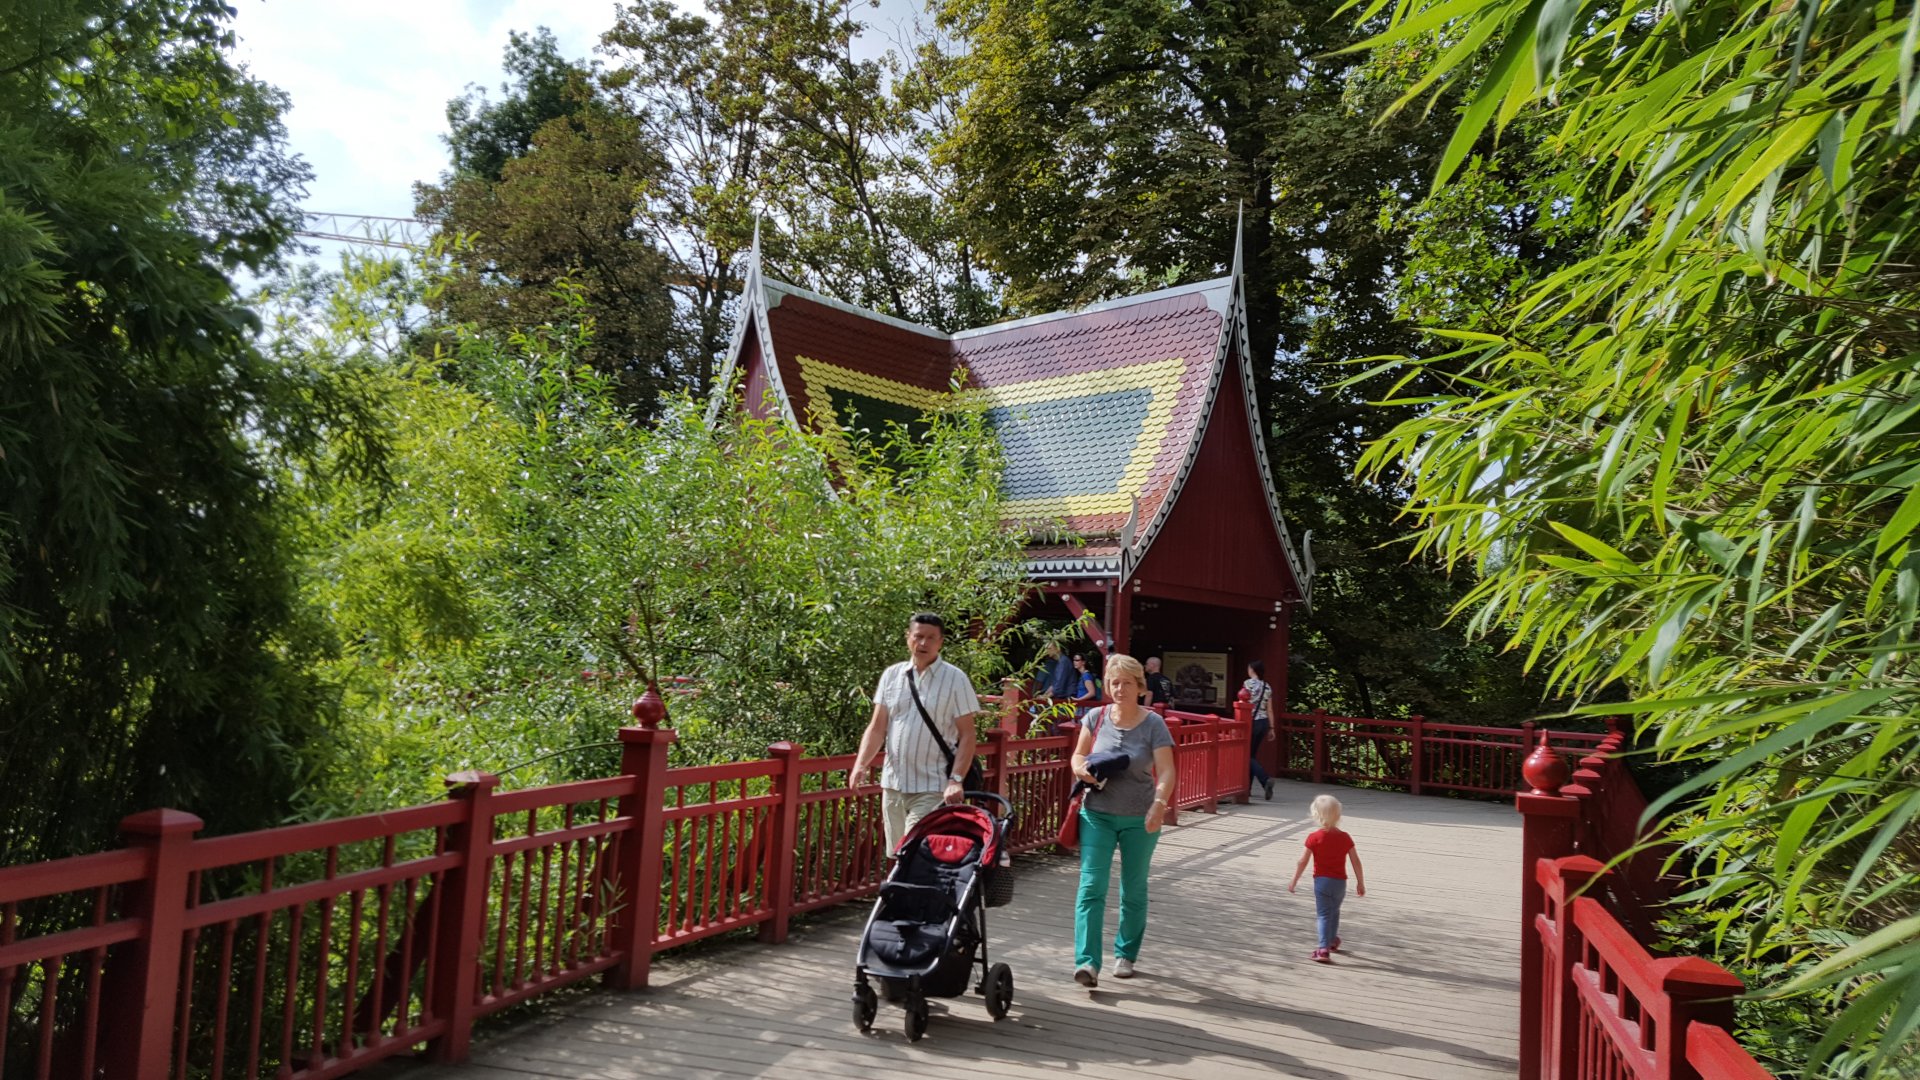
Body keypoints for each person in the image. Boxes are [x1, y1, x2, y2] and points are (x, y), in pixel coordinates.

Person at [1068, 653, 1176, 987]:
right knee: (1091, 886)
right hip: (1097, 812)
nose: (1119, 689)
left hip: (1140, 816)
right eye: (1114, 682)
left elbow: (1167, 769)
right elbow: (1078, 755)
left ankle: (1126, 953)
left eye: (1126, 683)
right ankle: (1087, 962)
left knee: (1133, 888)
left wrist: (1160, 804)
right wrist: (1080, 769)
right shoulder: (1096, 717)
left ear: (1138, 685)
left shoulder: (1153, 724)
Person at [850, 612, 982, 855]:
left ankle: (913, 892)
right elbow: (877, 727)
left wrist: (956, 780)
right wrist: (861, 764)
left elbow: (968, 735)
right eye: (918, 636)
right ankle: (907, 893)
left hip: (933, 785)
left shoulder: (955, 679)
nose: (924, 643)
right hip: (894, 783)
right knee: (896, 854)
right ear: (908, 638)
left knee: (914, 850)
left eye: (931, 638)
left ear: (941, 642)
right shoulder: (892, 675)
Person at [1287, 794, 1366, 963]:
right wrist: (1360, 882)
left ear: (1316, 815)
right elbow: (1356, 861)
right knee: (1334, 910)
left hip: (1322, 882)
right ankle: (1332, 941)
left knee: (1323, 914)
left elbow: (1302, 861)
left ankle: (1323, 948)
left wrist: (1294, 880)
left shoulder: (1314, 837)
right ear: (1338, 816)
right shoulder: (1345, 837)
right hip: (1340, 883)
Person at [1243, 660, 1276, 800]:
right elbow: (1269, 709)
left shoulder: (1247, 684)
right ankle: (1248, 788)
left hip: (1251, 722)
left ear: (1252, 670)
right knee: (1251, 755)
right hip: (1263, 722)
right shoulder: (1267, 687)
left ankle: (1265, 779)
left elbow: (1243, 702)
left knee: (1246, 755)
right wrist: (1272, 728)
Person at [1072, 652, 1102, 717]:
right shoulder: (1083, 675)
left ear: (1083, 662)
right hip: (1083, 706)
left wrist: (1079, 699)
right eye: (1074, 660)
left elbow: (1092, 692)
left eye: (1077, 660)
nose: (1074, 662)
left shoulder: (1086, 676)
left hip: (1086, 707)